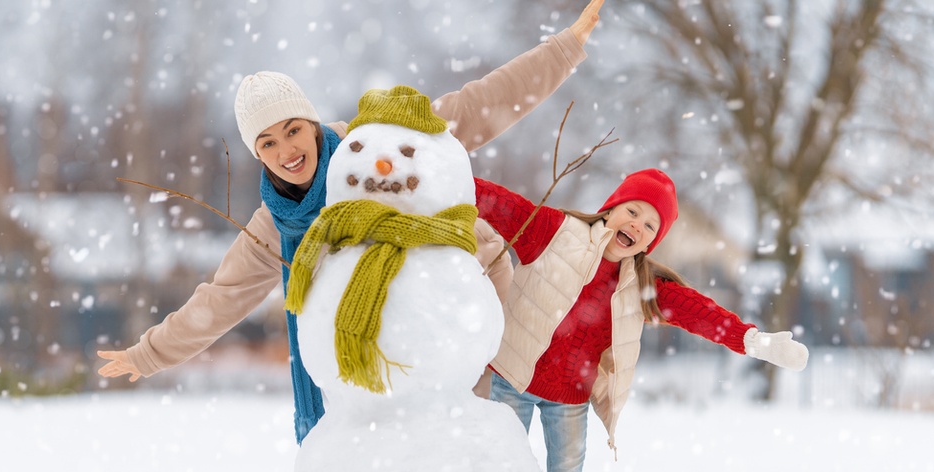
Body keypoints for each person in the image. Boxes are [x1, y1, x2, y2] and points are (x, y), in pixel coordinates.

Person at [98, 0, 607, 444]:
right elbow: (220, 300)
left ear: (311, 123)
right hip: (375, 360)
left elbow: (478, 105)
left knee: (463, 450)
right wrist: (149, 354)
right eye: (267, 144)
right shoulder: (276, 224)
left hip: (456, 320)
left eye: (292, 130)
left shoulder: (373, 145)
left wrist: (563, 49)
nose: (286, 151)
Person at [473, 170, 810, 472]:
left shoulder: (642, 285)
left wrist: (752, 340)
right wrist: (436, 164)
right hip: (510, 378)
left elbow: (697, 312)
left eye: (650, 225)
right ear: (611, 208)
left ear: (653, 241)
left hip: (569, 399)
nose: (637, 225)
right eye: (632, 211)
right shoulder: (554, 232)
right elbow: (498, 202)